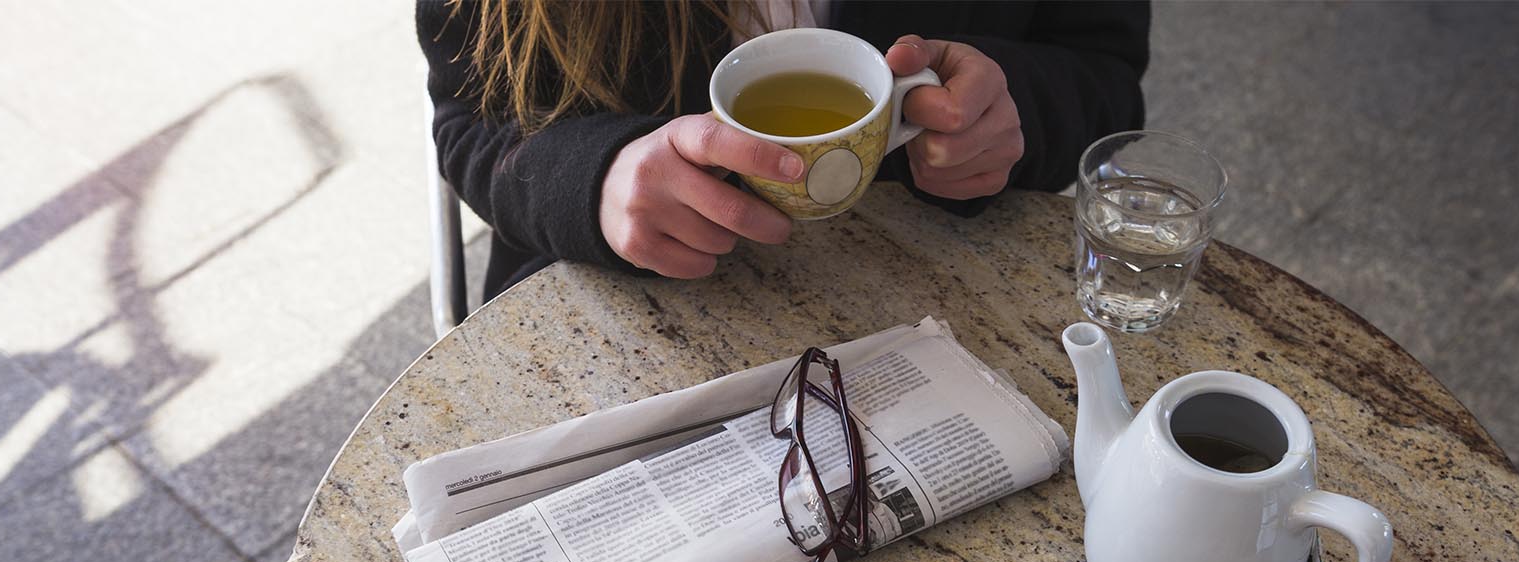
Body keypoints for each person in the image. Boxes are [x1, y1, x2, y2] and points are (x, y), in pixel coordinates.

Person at [419, 0, 1150, 299]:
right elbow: (470, 119)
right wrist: (596, 179)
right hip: (629, 307)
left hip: (935, 299)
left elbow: (1104, 77)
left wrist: (1003, 110)